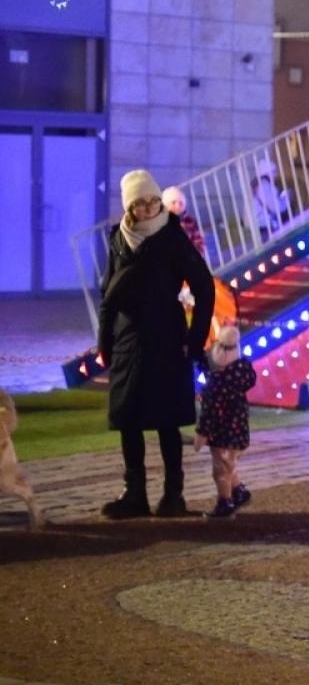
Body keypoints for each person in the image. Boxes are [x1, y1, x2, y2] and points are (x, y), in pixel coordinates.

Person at [99, 169, 216, 519]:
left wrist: (195, 339)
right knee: (128, 416)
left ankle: (173, 496)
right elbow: (108, 291)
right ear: (130, 208)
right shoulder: (118, 238)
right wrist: (105, 339)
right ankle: (134, 493)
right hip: (128, 337)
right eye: (141, 204)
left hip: (166, 334)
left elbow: (204, 286)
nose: (150, 209)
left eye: (153, 201)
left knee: (167, 418)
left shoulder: (172, 236)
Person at [195, 324, 255, 519]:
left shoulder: (217, 383)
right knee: (229, 465)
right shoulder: (241, 373)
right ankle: (238, 492)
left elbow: (209, 413)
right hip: (238, 431)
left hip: (222, 434)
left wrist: (201, 436)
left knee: (220, 470)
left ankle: (225, 502)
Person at [162, 185, 207, 259]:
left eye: (181, 203)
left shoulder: (189, 221)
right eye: (173, 203)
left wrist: (198, 254)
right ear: (165, 205)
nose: (177, 206)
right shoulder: (162, 222)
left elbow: (198, 239)